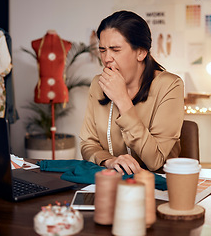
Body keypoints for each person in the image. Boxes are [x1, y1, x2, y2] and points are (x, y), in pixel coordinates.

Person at [79, 10, 184, 174]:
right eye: (102, 49)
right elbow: (88, 143)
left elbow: (155, 161)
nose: (107, 58)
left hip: (157, 186)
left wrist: (123, 100)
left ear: (141, 52)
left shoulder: (170, 85)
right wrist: (109, 161)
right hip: (111, 181)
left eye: (115, 50)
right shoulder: (98, 83)